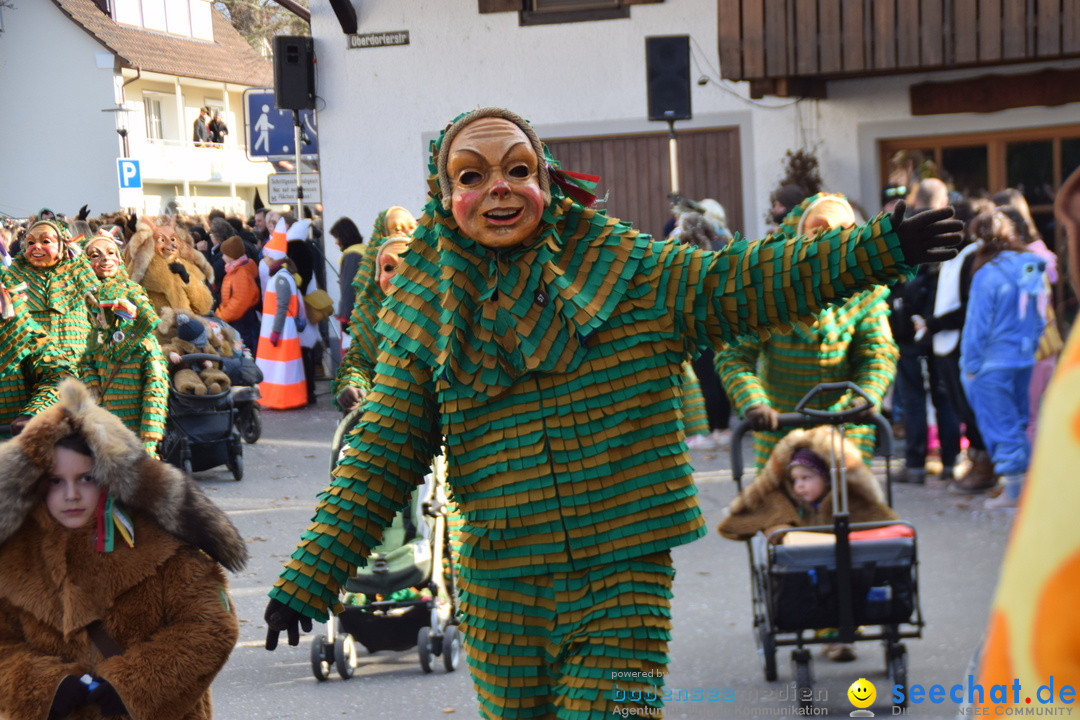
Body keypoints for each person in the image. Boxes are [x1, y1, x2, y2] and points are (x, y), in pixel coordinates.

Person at [262, 107, 961, 719]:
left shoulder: (622, 267)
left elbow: (741, 284)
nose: (497, 187)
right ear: (445, 198)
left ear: (547, 179)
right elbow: (383, 452)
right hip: (500, 586)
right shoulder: (427, 302)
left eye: (517, 168)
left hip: (623, 574)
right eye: (470, 176)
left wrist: (878, 248)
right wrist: (311, 576)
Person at [0, 378, 245, 720]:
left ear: (109, 476)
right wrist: (46, 688)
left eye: (85, 478)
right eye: (56, 481)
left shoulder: (161, 541)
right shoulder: (13, 557)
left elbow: (209, 626)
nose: (71, 494)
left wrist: (130, 688)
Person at [716, 193, 898, 469]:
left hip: (846, 431)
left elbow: (877, 351)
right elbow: (735, 356)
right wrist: (754, 403)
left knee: (851, 508)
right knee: (782, 507)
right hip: (781, 429)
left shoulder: (865, 290)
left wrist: (866, 395)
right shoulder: (766, 290)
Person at [716, 426, 898, 662]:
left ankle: (845, 632)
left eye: (807, 478)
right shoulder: (791, 507)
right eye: (794, 480)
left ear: (826, 478)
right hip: (809, 580)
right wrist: (778, 530)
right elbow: (751, 521)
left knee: (856, 578)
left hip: (850, 574)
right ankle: (833, 635)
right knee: (809, 585)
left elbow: (882, 522)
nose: (799, 486)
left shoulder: (846, 501)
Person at [960, 208, 1048, 510]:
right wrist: (1031, 344)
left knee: (1000, 424)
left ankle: (1014, 492)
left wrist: (969, 365)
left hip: (991, 362)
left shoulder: (985, 273)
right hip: (1023, 357)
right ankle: (1022, 489)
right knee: (1020, 421)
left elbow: (977, 324)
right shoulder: (1030, 264)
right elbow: (1039, 313)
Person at [888, 178, 962, 483]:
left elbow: (889, 273)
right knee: (944, 396)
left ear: (915, 198)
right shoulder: (953, 227)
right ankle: (950, 462)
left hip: (908, 328)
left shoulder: (903, 227)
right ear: (943, 200)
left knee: (914, 397)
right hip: (940, 326)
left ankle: (916, 464)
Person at [80, 232, 169, 456]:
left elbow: (155, 392)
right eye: (95, 255)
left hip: (137, 441)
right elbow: (87, 363)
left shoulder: (144, 345)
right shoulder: (90, 327)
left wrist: (149, 440)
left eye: (111, 253)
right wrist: (93, 390)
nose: (105, 259)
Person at [333, 206, 417, 411]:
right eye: (390, 268)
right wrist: (352, 386)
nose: (401, 234)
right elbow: (360, 359)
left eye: (408, 228)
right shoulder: (371, 308)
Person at [5, 219, 100, 360]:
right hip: (31, 363)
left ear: (62, 245)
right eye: (31, 242)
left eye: (46, 241)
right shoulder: (15, 274)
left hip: (76, 362)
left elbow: (100, 306)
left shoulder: (79, 271)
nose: (36, 246)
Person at [255, 220, 308, 409]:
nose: (265, 259)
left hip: (281, 330)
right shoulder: (281, 276)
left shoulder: (280, 278)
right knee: (279, 369)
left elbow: (282, 306)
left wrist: (276, 331)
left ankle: (283, 399)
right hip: (280, 330)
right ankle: (279, 399)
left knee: (281, 369)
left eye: (267, 256)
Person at [124, 217, 214, 316]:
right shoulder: (141, 267)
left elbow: (204, 306)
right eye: (161, 239)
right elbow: (129, 300)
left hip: (186, 327)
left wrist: (187, 279)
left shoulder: (188, 266)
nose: (170, 245)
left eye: (173, 239)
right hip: (157, 328)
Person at [215, 235, 261, 355]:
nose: (222, 257)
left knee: (245, 353)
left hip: (242, 323)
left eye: (224, 254)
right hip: (240, 321)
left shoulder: (241, 273)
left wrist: (221, 315)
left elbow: (239, 302)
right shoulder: (235, 269)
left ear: (231, 255)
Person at [329, 216, 365, 330]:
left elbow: (349, 288)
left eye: (336, 238)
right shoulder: (363, 250)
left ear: (343, 237)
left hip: (355, 316)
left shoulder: (352, 256)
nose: (336, 242)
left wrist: (345, 317)